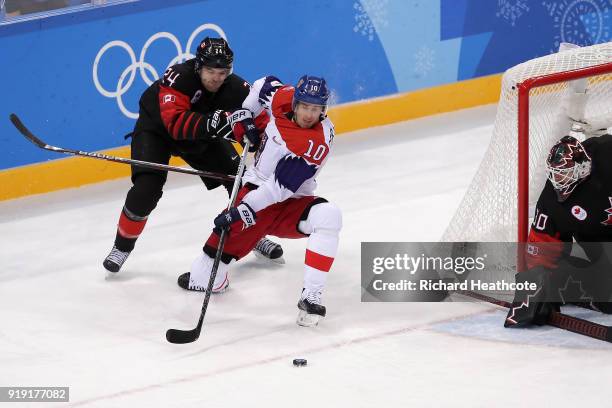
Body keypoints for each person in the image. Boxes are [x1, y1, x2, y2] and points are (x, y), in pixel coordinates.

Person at [103, 37, 283, 273]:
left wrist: (257, 138)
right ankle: (122, 246)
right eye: (210, 70)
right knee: (146, 189)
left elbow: (263, 125)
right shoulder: (178, 77)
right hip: (157, 132)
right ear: (198, 66)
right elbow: (175, 125)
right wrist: (220, 125)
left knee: (241, 183)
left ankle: (251, 236)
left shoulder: (237, 88)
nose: (216, 78)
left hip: (202, 137)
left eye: (222, 71)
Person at [177, 74, 342, 327]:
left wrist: (242, 209)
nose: (310, 114)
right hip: (254, 188)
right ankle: (223, 270)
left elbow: (277, 190)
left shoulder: (315, 143)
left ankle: (311, 296)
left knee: (329, 216)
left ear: (323, 110)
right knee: (203, 279)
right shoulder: (282, 97)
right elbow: (263, 83)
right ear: (295, 103)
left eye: (316, 109)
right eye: (306, 107)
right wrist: (247, 117)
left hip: (288, 201)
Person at [505, 127, 612, 327]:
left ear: (581, 169)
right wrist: (535, 289)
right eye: (555, 174)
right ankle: (570, 283)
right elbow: (541, 247)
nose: (557, 181)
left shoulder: (607, 155)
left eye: (563, 174)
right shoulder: (551, 200)